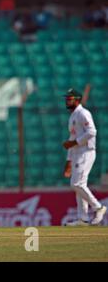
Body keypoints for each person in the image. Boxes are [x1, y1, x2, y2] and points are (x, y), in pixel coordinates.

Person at [62, 88, 107, 226]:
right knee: (79, 185)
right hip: (77, 153)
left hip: (86, 152)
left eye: (70, 99)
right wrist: (68, 161)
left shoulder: (83, 113)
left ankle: (98, 207)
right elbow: (72, 137)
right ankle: (83, 218)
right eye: (67, 98)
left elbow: (92, 131)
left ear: (77, 100)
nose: (67, 101)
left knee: (77, 184)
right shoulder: (73, 116)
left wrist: (75, 142)